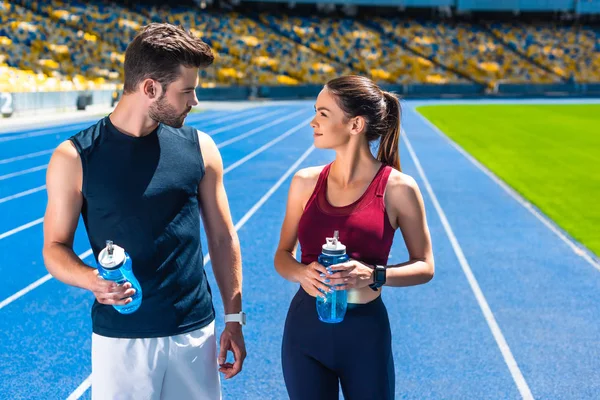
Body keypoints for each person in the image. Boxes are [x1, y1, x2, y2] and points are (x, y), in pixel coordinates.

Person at [42, 23, 246, 400]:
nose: (195, 101)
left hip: (195, 334)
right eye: (187, 91)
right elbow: (54, 247)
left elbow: (222, 237)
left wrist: (233, 318)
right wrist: (91, 280)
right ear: (150, 88)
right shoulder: (74, 158)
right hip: (122, 341)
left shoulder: (200, 147)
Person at [274, 75, 435, 399]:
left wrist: (374, 275)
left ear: (355, 124)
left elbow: (425, 266)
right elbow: (282, 255)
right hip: (306, 330)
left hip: (365, 335)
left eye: (323, 113)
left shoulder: (398, 188)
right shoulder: (305, 182)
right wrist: (302, 273)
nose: (312, 122)